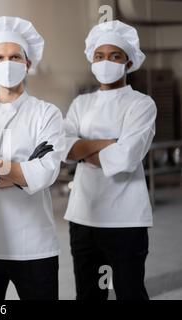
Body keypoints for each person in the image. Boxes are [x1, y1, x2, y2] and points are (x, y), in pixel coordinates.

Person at [0, 16, 64, 300]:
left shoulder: (47, 113)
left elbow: (46, 173)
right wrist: (22, 168)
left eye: (15, 56)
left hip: (35, 244)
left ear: (28, 63)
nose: (7, 63)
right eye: (0, 57)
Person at [63, 20, 157, 300]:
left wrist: (83, 150)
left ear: (128, 62)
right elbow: (64, 150)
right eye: (99, 56)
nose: (106, 62)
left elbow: (126, 157)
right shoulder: (81, 104)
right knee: (89, 294)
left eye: (115, 56)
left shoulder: (141, 104)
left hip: (125, 218)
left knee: (130, 292)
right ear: (91, 60)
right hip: (83, 215)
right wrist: (109, 144)